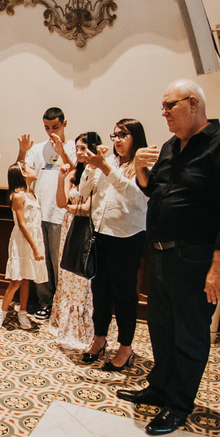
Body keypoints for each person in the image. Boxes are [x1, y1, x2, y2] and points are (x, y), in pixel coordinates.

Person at [117, 80, 220, 436]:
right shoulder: (172, 147)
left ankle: (178, 405)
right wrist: (140, 168)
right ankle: (160, 388)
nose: (163, 113)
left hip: (196, 259)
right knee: (161, 327)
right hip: (161, 255)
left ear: (193, 103)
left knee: (189, 334)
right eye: (162, 107)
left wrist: (219, 268)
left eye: (169, 106)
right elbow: (155, 190)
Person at [77, 119, 149, 371]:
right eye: (115, 135)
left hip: (128, 237)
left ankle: (125, 347)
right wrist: (90, 167)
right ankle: (99, 339)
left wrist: (105, 168)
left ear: (135, 137)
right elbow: (83, 192)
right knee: (100, 291)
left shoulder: (142, 164)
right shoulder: (108, 162)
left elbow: (135, 196)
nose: (117, 140)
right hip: (101, 235)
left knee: (124, 295)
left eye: (123, 135)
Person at [44, 131, 101, 353]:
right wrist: (61, 179)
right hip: (69, 227)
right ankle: (64, 323)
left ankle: (85, 329)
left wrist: (72, 207)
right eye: (77, 148)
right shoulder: (73, 174)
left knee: (83, 277)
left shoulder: (98, 174)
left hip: (88, 228)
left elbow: (87, 209)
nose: (78, 152)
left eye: (83, 148)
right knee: (67, 273)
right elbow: (61, 202)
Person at [18, 107, 75, 322]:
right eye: (47, 127)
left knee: (60, 263)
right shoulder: (38, 149)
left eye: (55, 127)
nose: (51, 131)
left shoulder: (73, 147)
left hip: (61, 213)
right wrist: (22, 151)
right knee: (41, 261)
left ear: (64, 124)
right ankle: (45, 302)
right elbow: (21, 171)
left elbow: (76, 172)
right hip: (38, 212)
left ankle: (61, 305)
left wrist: (62, 152)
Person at [0, 159, 47, 330]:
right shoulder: (18, 196)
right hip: (22, 240)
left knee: (26, 278)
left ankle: (22, 312)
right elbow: (22, 224)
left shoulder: (32, 194)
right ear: (23, 173)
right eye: (29, 167)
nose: (33, 168)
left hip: (33, 237)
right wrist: (35, 247)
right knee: (16, 280)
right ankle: (2, 312)